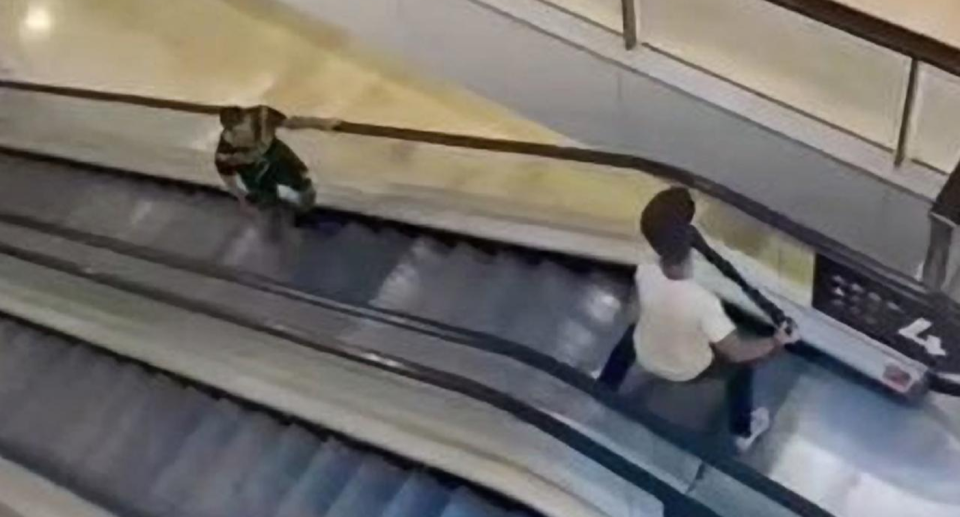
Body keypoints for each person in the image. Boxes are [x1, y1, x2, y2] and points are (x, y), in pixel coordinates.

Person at [598, 186, 799, 452]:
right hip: (685, 369)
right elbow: (738, 353)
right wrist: (777, 341)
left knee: (632, 336)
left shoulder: (644, 271)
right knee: (740, 369)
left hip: (646, 354)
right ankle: (743, 430)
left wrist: (664, 314)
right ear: (688, 248)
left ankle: (603, 387)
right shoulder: (703, 302)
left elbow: (632, 314)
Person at [214, 105, 339, 226]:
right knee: (265, 201)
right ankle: (272, 221)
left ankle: (303, 216)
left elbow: (290, 123)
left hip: (277, 155)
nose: (247, 137)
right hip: (252, 169)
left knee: (305, 187)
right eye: (239, 133)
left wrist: (321, 124)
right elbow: (229, 180)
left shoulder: (263, 116)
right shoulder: (224, 154)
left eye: (248, 129)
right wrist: (241, 200)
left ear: (248, 118)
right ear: (229, 131)